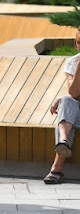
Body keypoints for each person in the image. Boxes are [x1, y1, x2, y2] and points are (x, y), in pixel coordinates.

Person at [44, 28, 80, 184]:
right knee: (66, 101)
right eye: (79, 43)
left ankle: (56, 170)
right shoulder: (72, 62)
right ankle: (63, 143)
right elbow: (74, 92)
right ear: (75, 44)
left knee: (64, 111)